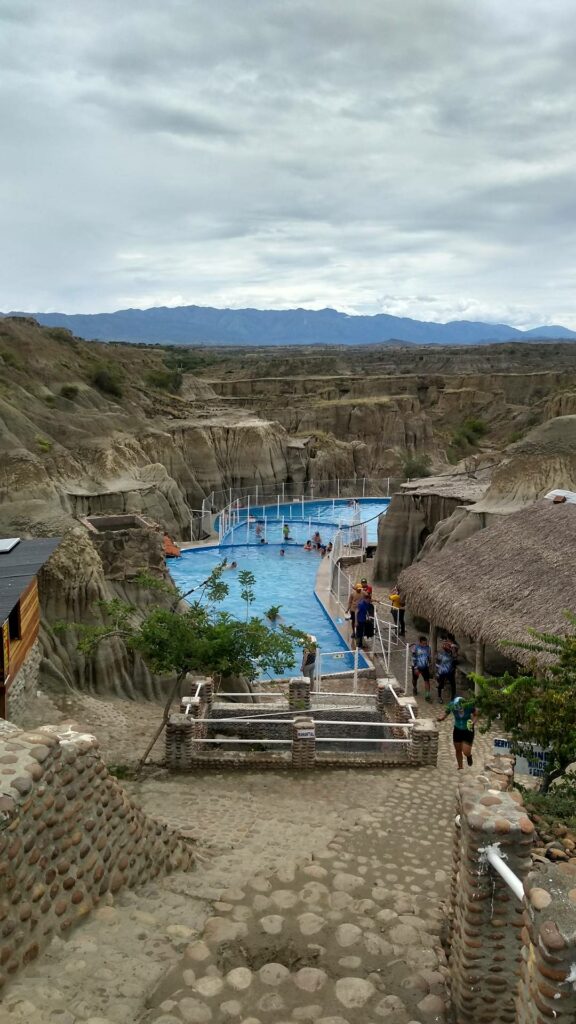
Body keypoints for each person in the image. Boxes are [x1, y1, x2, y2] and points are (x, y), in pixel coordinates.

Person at [438, 696, 478, 770]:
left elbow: (476, 714)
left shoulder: (469, 705)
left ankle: (469, 756)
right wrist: (442, 717)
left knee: (465, 751)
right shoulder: (452, 705)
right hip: (457, 729)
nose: (459, 710)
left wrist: (473, 722)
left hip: (468, 729)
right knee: (458, 749)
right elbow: (446, 712)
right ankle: (460, 767)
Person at [435, 638, 459, 703]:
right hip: (442, 672)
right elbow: (437, 664)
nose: (449, 647)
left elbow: (456, 654)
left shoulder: (452, 653)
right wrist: (437, 673)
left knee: (453, 685)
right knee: (440, 685)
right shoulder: (440, 653)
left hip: (450, 672)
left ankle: (452, 699)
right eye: (447, 646)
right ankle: (439, 697)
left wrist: (452, 646)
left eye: (449, 646)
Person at [411, 635, 431, 700]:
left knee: (427, 681)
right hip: (417, 667)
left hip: (425, 667)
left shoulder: (428, 648)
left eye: (426, 643)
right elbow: (413, 658)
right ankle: (415, 688)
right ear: (420, 642)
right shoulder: (415, 648)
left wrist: (429, 665)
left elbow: (428, 657)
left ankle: (427, 696)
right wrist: (415, 668)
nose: (425, 645)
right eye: (423, 643)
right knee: (414, 680)